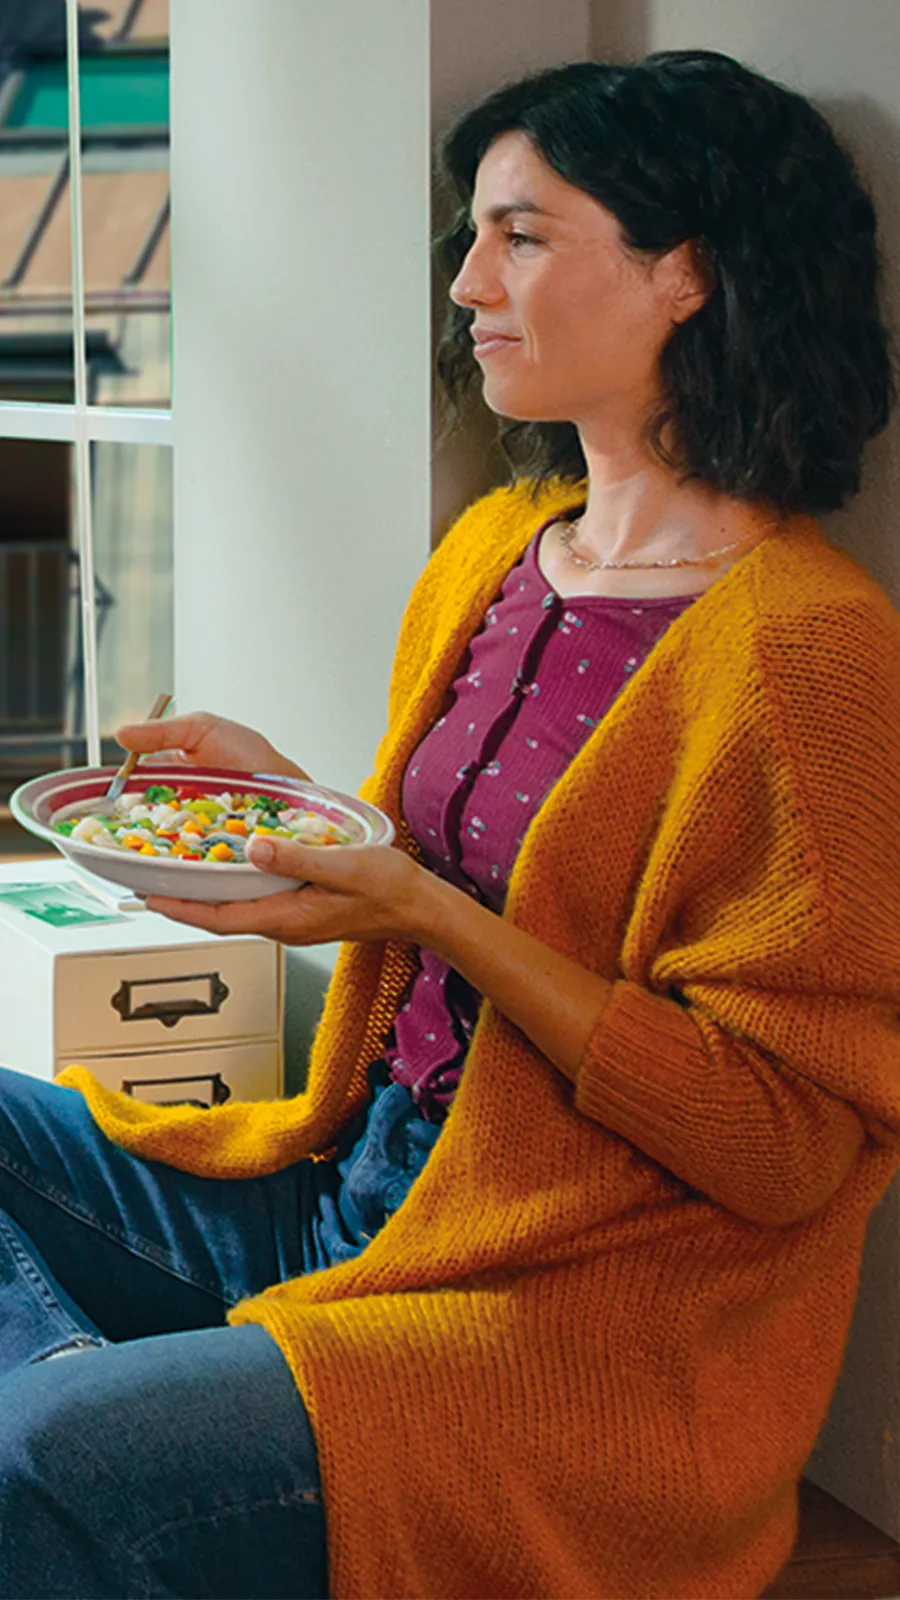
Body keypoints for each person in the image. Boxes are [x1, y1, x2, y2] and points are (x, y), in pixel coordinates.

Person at [1, 47, 899, 1600]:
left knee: (46, 1454)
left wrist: (419, 909)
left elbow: (783, 1147)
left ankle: (102, 1449)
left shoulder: (809, 655)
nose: (469, 283)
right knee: (57, 1441)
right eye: (470, 237)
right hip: (358, 1189)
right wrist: (294, 808)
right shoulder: (501, 545)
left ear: (689, 271)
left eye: (521, 237)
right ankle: (122, 1449)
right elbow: (473, 880)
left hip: (570, 1317)